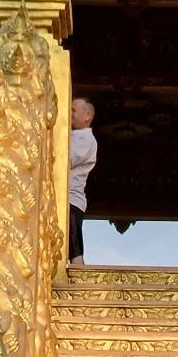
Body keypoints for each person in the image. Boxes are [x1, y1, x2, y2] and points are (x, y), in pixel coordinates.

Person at [69, 98, 97, 266]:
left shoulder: (86, 139)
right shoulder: (74, 135)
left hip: (72, 200)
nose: (69, 114)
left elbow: (67, 158)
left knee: (75, 251)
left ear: (87, 116)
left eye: (73, 110)